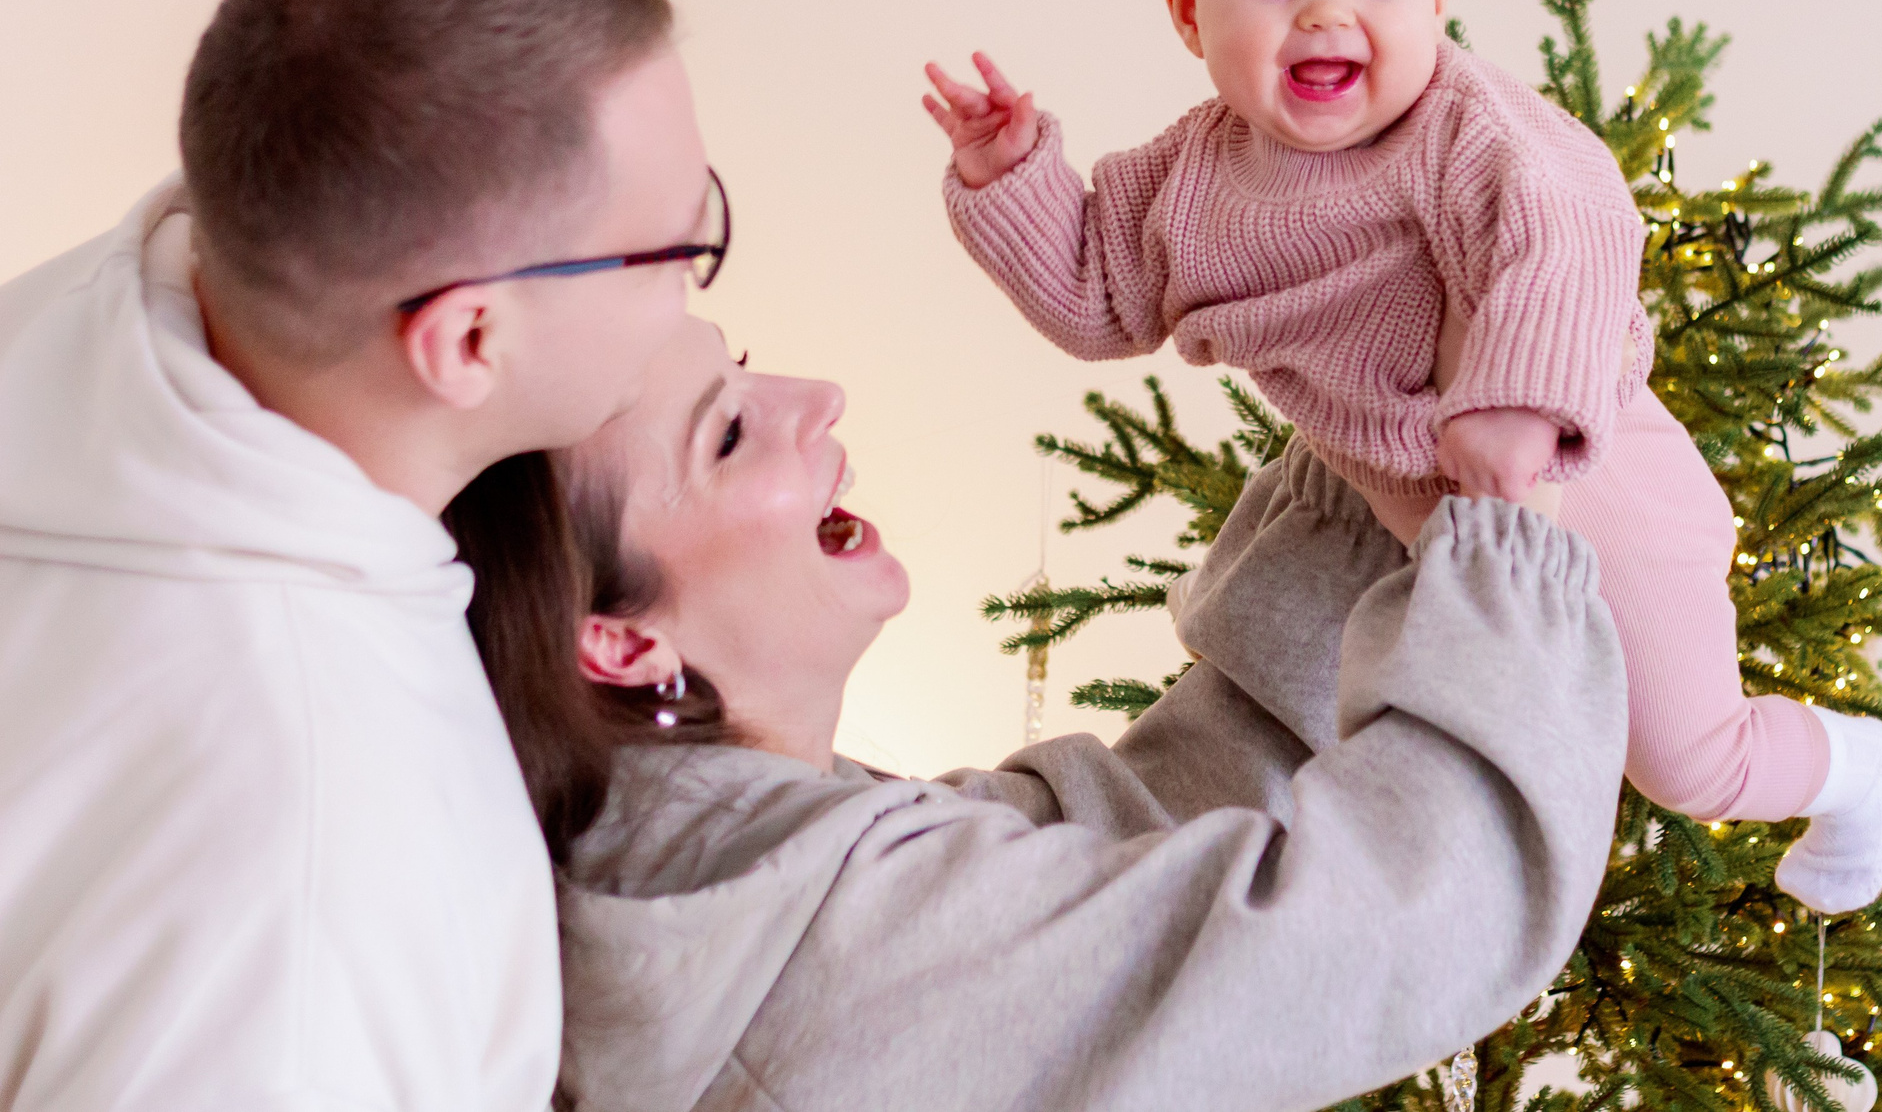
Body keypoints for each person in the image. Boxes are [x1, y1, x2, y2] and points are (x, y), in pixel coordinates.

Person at [922, 0, 1882, 914]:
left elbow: (1575, 225)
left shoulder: (1466, 134)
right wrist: (1009, 177)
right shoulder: (1192, 179)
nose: (1328, 11)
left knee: (1692, 763)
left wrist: (1515, 403)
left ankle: (1851, 766)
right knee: (1404, 787)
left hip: (1596, 486)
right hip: (1418, 533)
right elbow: (1098, 297)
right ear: (1189, 10)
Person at [442, 315, 1631, 1111]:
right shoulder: (821, 947)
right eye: (732, 432)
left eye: (749, 365)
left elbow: (1141, 828)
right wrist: (1506, 539)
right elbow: (1387, 928)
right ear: (620, 641)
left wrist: (1363, 465)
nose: (817, 397)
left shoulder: (730, 869)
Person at [0, 0, 720, 1111]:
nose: (694, 285)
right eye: (679, 246)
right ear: (469, 337)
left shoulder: (75, 326)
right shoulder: (310, 869)